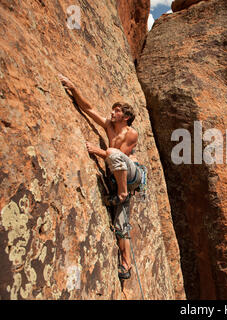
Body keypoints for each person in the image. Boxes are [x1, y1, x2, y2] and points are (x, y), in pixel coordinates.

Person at [59, 74, 141, 280]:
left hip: (130, 177)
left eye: (117, 111)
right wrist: (74, 87)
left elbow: (116, 155)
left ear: (126, 117)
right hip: (117, 175)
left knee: (113, 154)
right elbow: (88, 108)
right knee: (121, 225)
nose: (113, 113)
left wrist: (97, 150)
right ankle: (126, 265)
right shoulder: (109, 126)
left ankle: (121, 193)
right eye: (114, 110)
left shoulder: (131, 133)